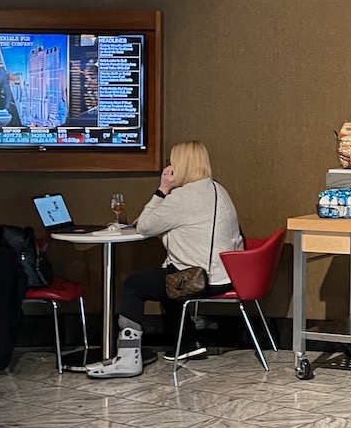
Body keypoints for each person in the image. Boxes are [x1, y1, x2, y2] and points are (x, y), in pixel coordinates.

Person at [86, 140, 244, 379]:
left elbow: (146, 227)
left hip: (199, 281)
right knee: (167, 276)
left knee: (134, 285)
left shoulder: (182, 197)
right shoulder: (217, 189)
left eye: (173, 162)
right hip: (229, 275)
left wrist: (162, 190)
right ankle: (188, 343)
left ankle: (128, 359)